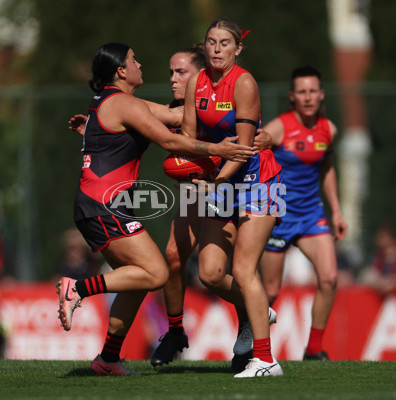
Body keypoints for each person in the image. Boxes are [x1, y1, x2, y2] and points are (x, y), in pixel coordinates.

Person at [56, 42, 254, 377]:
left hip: (104, 204)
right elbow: (170, 140)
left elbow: (177, 116)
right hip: (104, 205)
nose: (140, 64)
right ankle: (78, 288)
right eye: (134, 60)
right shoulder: (123, 103)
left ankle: (108, 359)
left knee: (139, 280)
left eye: (181, 72)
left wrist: (231, 105)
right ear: (121, 71)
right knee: (158, 272)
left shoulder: (119, 102)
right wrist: (217, 147)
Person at [181, 19, 284, 378]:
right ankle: (258, 309)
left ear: (238, 49)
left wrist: (214, 181)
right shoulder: (197, 82)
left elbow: (242, 148)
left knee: (243, 270)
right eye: (211, 42)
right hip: (219, 182)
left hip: (258, 180)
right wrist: (194, 172)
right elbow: (191, 138)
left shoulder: (244, 82)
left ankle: (266, 359)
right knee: (209, 273)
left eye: (225, 43)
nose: (217, 49)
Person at [258, 66, 348, 361]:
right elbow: (251, 153)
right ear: (292, 97)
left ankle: (313, 349)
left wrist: (335, 211)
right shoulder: (280, 127)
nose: (308, 97)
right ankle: (249, 345)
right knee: (269, 292)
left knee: (330, 278)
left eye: (313, 91)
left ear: (321, 95)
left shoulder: (328, 129)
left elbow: (327, 168)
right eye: (302, 92)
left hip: (311, 215)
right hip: (279, 218)